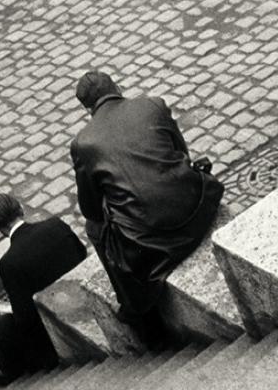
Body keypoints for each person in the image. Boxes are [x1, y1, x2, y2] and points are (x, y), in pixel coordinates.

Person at [70, 71, 222, 349]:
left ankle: (136, 309)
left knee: (94, 230)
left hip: (152, 241)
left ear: (87, 108)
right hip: (195, 207)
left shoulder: (84, 143)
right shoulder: (152, 104)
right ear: (116, 86)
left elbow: (91, 209)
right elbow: (182, 153)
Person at [0, 194, 88, 387]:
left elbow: (25, 319)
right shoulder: (56, 225)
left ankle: (4, 372)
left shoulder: (9, 263)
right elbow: (82, 254)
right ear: (21, 209)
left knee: (4, 326)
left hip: (55, 331)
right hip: (80, 297)